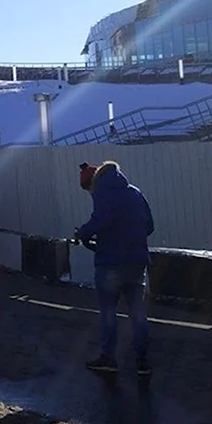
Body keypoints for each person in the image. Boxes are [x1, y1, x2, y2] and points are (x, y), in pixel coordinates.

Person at [76, 160, 154, 376]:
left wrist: (81, 234)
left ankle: (109, 358)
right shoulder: (135, 193)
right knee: (138, 313)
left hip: (111, 263)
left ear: (94, 183)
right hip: (137, 262)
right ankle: (143, 362)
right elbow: (149, 225)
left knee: (109, 312)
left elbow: (97, 222)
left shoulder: (104, 195)